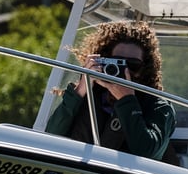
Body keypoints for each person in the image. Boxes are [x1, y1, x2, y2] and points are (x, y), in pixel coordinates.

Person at [45, 21, 176, 160]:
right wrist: (81, 89)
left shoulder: (158, 107)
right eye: (116, 62)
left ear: (145, 70)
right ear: (104, 61)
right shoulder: (88, 95)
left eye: (133, 65)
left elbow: (147, 153)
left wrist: (127, 101)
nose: (124, 71)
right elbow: (51, 137)